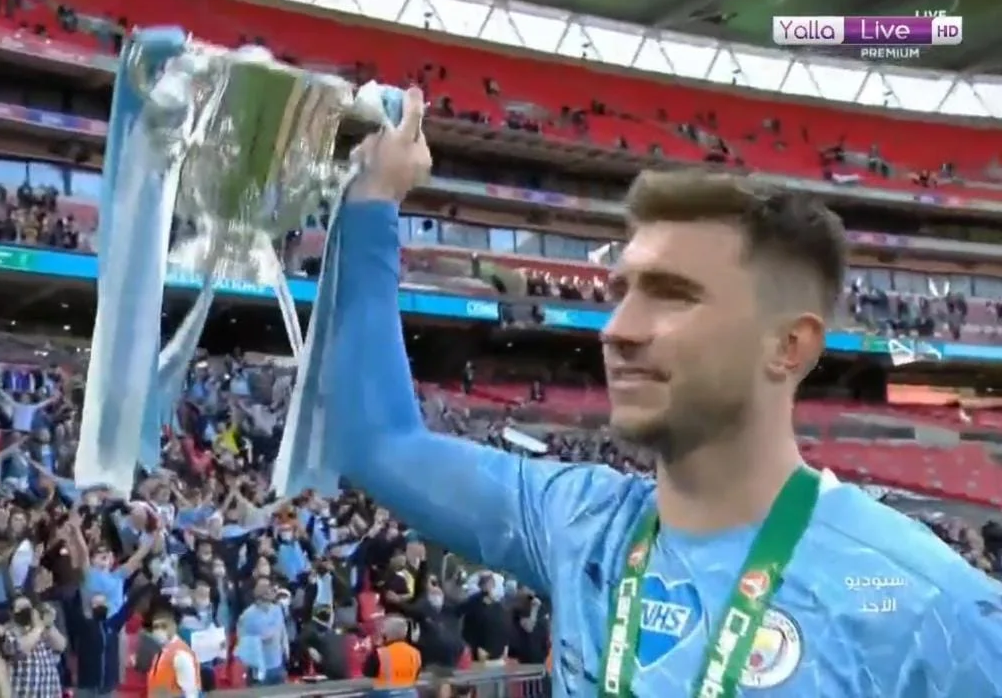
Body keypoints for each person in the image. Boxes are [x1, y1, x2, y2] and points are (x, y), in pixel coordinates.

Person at [325, 86, 1002, 696]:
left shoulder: (928, 611)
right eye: (621, 293)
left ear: (789, 345)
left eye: (672, 297)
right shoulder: (580, 525)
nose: (617, 330)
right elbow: (378, 441)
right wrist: (374, 205)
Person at [144, 604, 201, 698]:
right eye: (156, 627)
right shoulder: (160, 653)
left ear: (174, 626)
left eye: (164, 626)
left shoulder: (180, 655)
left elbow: (190, 692)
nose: (159, 630)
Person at [362, 616, 421, 694]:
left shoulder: (381, 653)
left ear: (385, 634)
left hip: (386, 694)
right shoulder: (415, 653)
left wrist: (376, 646)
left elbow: (367, 672)